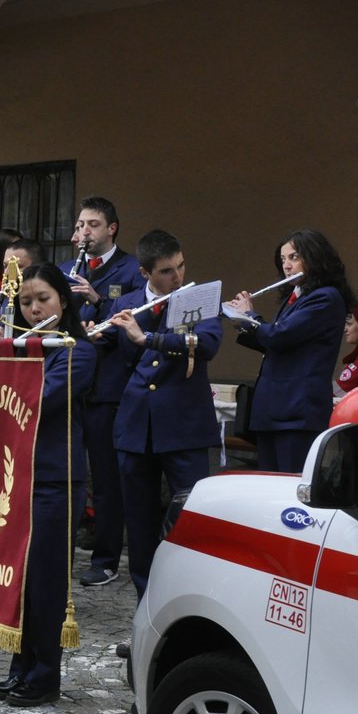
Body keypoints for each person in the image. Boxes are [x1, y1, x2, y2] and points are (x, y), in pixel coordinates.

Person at [0, 263, 96, 707]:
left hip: (55, 477)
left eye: (43, 300)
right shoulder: (22, 346)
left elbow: (39, 401)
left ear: (63, 302)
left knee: (46, 581)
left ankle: (44, 675)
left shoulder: (78, 351)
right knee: (19, 579)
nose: (34, 310)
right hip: (18, 475)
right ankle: (20, 667)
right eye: (26, 302)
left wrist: (8, 360)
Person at [103, 230, 221, 598]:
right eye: (168, 271)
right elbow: (112, 350)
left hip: (183, 425)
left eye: (181, 266)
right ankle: (146, 608)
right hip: (138, 424)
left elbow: (208, 343)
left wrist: (149, 338)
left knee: (191, 520)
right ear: (145, 272)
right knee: (139, 525)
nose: (178, 276)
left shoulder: (198, 297)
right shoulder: (128, 303)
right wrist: (92, 331)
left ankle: (190, 604)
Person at [226, 229, 353, 473]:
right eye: (283, 260)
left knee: (289, 484)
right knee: (270, 485)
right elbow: (276, 342)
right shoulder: (297, 296)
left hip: (297, 412)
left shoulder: (326, 298)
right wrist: (245, 324)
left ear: (314, 258)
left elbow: (280, 335)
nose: (287, 265)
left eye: (294, 257)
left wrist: (251, 317)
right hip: (276, 410)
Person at [64, 196, 142, 587]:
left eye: (92, 225)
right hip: (68, 387)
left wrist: (96, 300)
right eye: (80, 225)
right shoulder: (66, 269)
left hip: (107, 389)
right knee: (66, 471)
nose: (84, 232)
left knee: (106, 478)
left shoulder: (131, 270)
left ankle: (107, 557)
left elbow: (131, 321)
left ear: (111, 228)